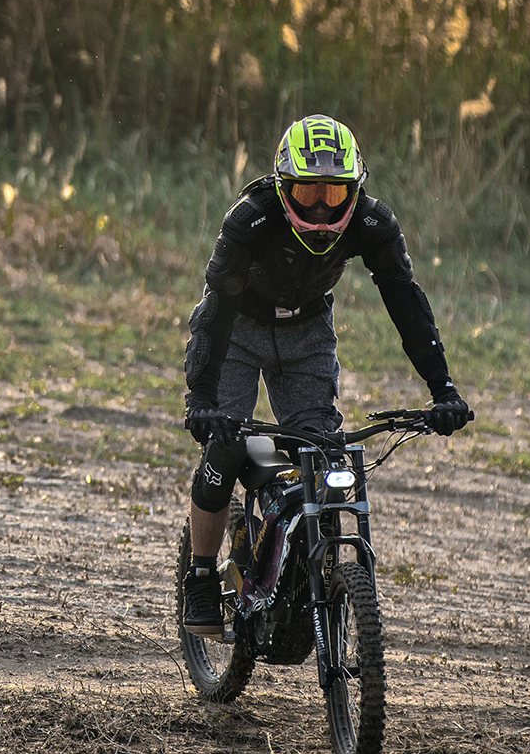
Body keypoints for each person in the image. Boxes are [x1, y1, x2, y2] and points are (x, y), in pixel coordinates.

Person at [178, 114, 472, 638]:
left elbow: (406, 301)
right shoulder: (250, 220)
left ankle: (306, 575)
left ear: (355, 192)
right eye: (308, 192)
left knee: (322, 453)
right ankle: (201, 574)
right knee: (225, 443)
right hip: (238, 329)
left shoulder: (373, 224)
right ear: (283, 186)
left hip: (308, 331)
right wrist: (202, 398)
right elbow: (216, 308)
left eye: (334, 195)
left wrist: (442, 387)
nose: (319, 207)